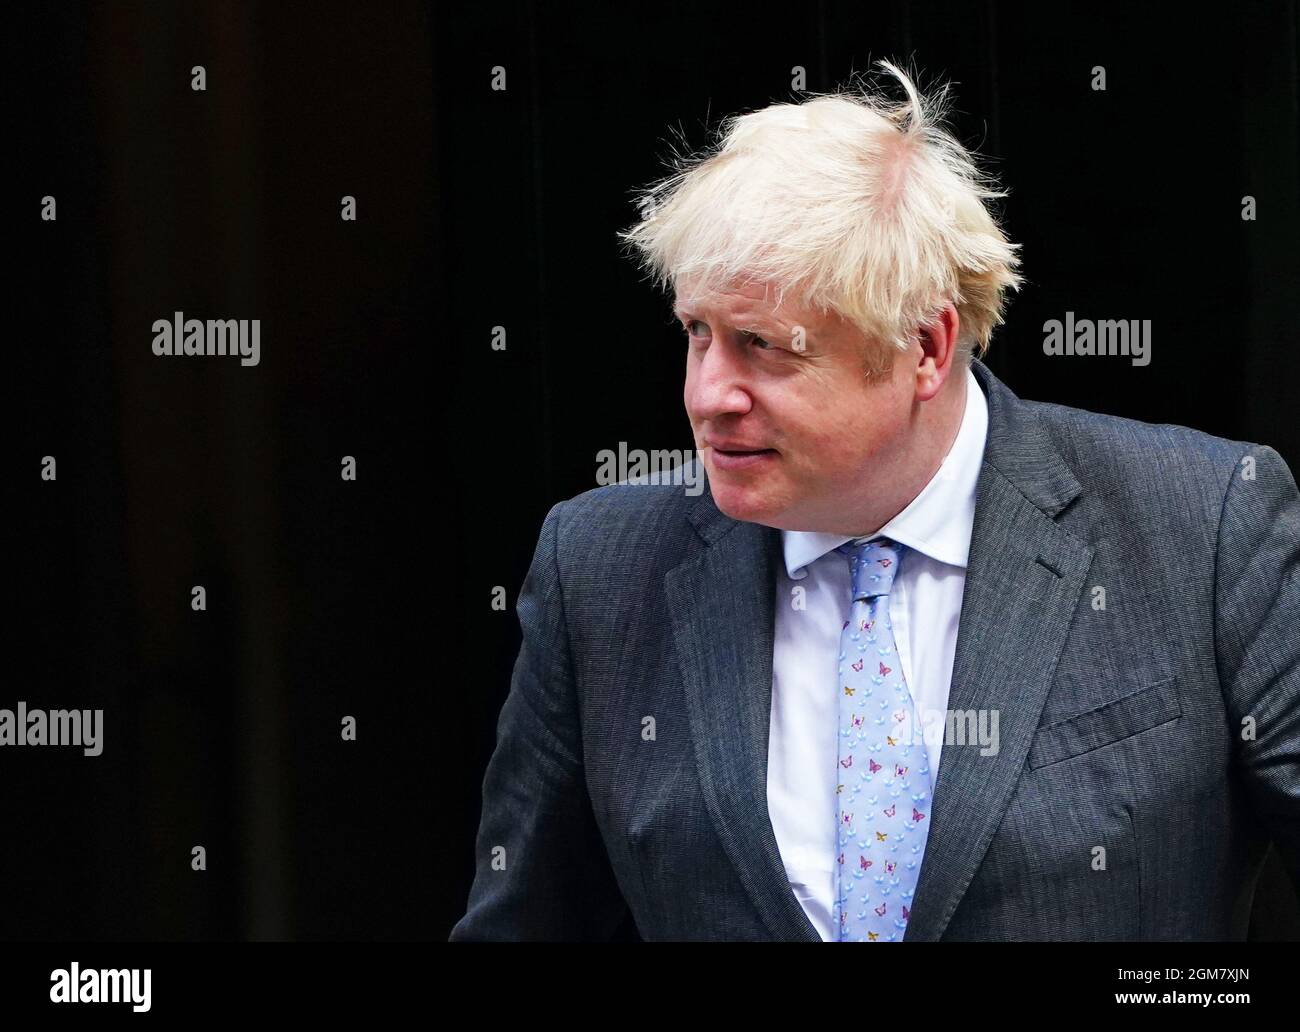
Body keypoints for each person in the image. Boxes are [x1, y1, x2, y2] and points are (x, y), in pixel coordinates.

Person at [449, 60, 1299, 941]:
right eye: (697, 333)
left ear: (925, 347)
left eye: (762, 346)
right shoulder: (601, 570)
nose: (708, 394)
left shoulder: (1201, 525)